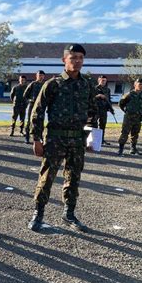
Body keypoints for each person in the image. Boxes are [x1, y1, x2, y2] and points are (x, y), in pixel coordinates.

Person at [28, 44, 97, 233]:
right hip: (55, 139)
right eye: (73, 57)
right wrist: (36, 139)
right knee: (47, 178)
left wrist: (92, 138)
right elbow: (38, 112)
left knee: (73, 178)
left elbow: (93, 112)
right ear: (64, 60)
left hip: (77, 141)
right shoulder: (53, 84)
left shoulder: (87, 85)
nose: (77, 61)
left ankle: (69, 213)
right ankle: (38, 213)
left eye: (80, 58)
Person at [117, 78, 142, 156]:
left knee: (135, 134)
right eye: (140, 84)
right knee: (124, 133)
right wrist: (126, 111)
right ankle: (120, 149)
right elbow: (121, 103)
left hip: (139, 118)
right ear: (135, 85)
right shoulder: (129, 94)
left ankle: (133, 149)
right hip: (129, 117)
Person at [23, 70, 46, 144]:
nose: (41, 77)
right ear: (36, 76)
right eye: (39, 75)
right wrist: (30, 100)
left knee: (41, 122)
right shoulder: (33, 84)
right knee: (30, 121)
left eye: (42, 75)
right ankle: (27, 137)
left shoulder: (45, 85)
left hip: (41, 106)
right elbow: (25, 95)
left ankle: (40, 137)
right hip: (32, 106)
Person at [94, 75, 115, 145]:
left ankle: (101, 140)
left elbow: (108, 99)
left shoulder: (107, 90)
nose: (103, 82)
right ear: (98, 80)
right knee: (94, 125)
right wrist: (98, 96)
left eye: (105, 81)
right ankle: (93, 140)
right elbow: (90, 98)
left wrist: (111, 108)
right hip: (95, 109)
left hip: (104, 109)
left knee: (103, 125)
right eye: (102, 80)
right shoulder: (94, 89)